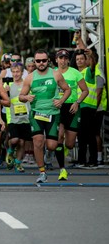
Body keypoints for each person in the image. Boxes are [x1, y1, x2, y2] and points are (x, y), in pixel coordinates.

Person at [19, 49, 71, 183]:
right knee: (37, 142)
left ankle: (49, 155)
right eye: (38, 61)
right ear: (35, 62)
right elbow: (20, 96)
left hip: (53, 114)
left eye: (43, 60)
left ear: (48, 61)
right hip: (36, 114)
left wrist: (61, 101)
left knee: (52, 145)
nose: (41, 63)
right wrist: (26, 97)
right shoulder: (30, 77)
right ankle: (42, 172)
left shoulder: (56, 74)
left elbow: (67, 89)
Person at [54, 49, 88, 180]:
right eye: (60, 58)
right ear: (56, 59)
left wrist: (77, 102)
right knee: (59, 138)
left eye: (65, 58)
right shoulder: (53, 73)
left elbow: (85, 91)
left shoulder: (75, 73)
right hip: (58, 107)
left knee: (69, 144)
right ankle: (62, 169)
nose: (63, 60)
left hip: (72, 107)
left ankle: (64, 150)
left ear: (68, 59)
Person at [4, 63, 30, 173]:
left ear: (22, 72)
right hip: (13, 118)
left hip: (25, 118)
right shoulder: (8, 86)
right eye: (13, 72)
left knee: (22, 143)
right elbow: (3, 101)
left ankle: (18, 163)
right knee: (14, 140)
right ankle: (10, 151)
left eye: (18, 72)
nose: (15, 74)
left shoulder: (26, 85)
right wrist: (5, 92)